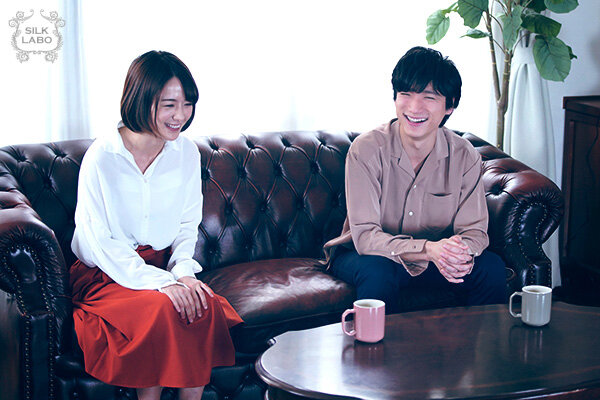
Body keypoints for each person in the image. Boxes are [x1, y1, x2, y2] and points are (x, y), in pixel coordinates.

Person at [70, 50, 243, 400]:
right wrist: (162, 284)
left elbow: (187, 225)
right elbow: (98, 241)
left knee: (200, 304)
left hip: (162, 267)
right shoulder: (102, 157)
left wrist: (183, 275)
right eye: (169, 105)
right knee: (165, 308)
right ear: (141, 99)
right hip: (107, 274)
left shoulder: (186, 153)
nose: (181, 116)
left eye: (187, 104)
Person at [323, 46, 506, 314]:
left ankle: (483, 343)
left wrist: (454, 253)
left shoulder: (464, 155)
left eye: (429, 97)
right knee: (378, 272)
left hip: (435, 259)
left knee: (491, 267)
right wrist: (428, 250)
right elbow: (366, 238)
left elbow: (475, 232)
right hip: (368, 256)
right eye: (405, 94)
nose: (414, 107)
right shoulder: (367, 150)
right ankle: (377, 344)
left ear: (450, 105)